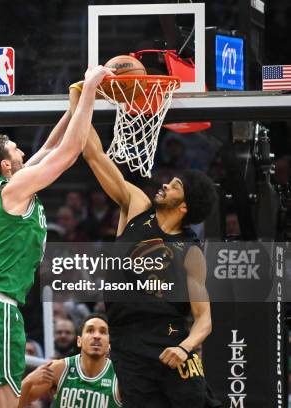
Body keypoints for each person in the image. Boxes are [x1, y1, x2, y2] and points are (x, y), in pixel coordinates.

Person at [0, 65, 112, 408]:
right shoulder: (16, 187)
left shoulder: (3, 186)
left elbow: (51, 146)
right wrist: (91, 91)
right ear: (6, 165)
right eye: (15, 149)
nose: (23, 151)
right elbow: (68, 154)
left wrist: (73, 108)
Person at [71, 82, 218, 407]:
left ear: (185, 206)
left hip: (170, 338)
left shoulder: (191, 251)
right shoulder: (137, 206)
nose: (165, 184)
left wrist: (185, 347)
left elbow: (204, 318)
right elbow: (92, 153)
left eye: (175, 185)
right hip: (126, 340)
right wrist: (79, 100)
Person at [19, 314, 122, 408]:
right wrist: (28, 381)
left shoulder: (120, 377)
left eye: (103, 332)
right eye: (90, 330)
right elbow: (15, 405)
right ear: (79, 341)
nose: (96, 336)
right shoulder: (59, 368)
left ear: (109, 344)